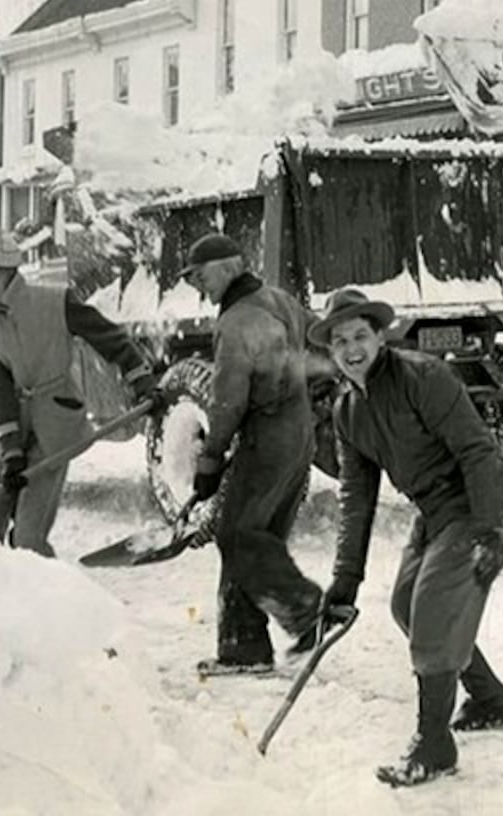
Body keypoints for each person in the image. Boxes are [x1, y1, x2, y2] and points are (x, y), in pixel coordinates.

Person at [317, 287, 503, 789]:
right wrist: (344, 581)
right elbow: (357, 499)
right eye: (340, 340)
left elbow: (477, 452)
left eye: (360, 335)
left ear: (380, 336)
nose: (351, 349)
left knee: (433, 605)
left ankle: (434, 745)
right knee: (407, 605)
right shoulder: (348, 413)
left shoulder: (423, 377)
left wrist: (491, 533)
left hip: (480, 498)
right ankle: (492, 698)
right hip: (434, 510)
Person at [0, 230, 160, 556]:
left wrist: (141, 380)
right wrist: (10, 450)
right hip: (10, 422)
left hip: (55, 423)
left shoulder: (56, 301)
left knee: (28, 539)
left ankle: (48, 599)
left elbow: (112, 340)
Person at [181, 231, 324, 676]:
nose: (198, 287)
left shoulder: (236, 321)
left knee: (237, 534)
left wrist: (209, 461)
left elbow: (228, 401)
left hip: (268, 433)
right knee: (260, 534)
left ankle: (306, 611)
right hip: (299, 430)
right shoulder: (279, 299)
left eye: (200, 276)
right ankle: (245, 647)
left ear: (228, 266)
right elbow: (317, 345)